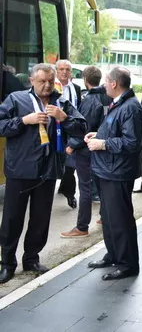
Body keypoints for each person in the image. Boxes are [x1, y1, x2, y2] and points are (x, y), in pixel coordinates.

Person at [0, 63, 87, 283]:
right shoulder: (16, 99)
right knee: (12, 219)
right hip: (20, 170)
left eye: (50, 81)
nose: (47, 85)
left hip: (47, 171)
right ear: (32, 81)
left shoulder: (61, 103)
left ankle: (32, 259)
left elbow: (82, 128)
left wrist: (64, 118)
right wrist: (23, 121)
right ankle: (7, 263)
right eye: (42, 81)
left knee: (40, 219)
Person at [85, 66, 142, 281]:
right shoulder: (119, 103)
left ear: (114, 83)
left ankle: (127, 264)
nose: (103, 85)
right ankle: (113, 255)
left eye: (106, 81)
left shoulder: (130, 107)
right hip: (108, 170)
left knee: (120, 220)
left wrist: (103, 144)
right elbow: (115, 129)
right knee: (109, 218)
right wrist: (98, 135)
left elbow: (132, 143)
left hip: (117, 172)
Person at [61, 66, 111, 238]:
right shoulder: (107, 96)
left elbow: (84, 128)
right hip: (102, 146)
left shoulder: (90, 100)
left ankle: (82, 227)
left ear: (85, 79)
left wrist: (72, 145)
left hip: (86, 149)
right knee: (100, 184)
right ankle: (104, 216)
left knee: (85, 188)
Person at [56, 59, 82, 209]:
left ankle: (70, 194)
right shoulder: (50, 86)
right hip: (54, 129)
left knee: (70, 163)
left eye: (67, 69)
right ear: (56, 71)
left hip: (70, 128)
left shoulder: (76, 89)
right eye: (61, 69)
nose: (64, 72)